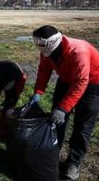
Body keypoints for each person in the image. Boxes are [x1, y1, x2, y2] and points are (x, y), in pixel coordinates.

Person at [28, 25, 99, 180]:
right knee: (56, 120)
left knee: (83, 126)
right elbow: (44, 71)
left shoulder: (78, 52)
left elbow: (81, 82)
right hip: (66, 80)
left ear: (57, 44)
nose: (48, 56)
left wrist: (64, 107)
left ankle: (74, 163)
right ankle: (54, 151)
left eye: (50, 54)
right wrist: (38, 93)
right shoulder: (46, 50)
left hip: (92, 84)